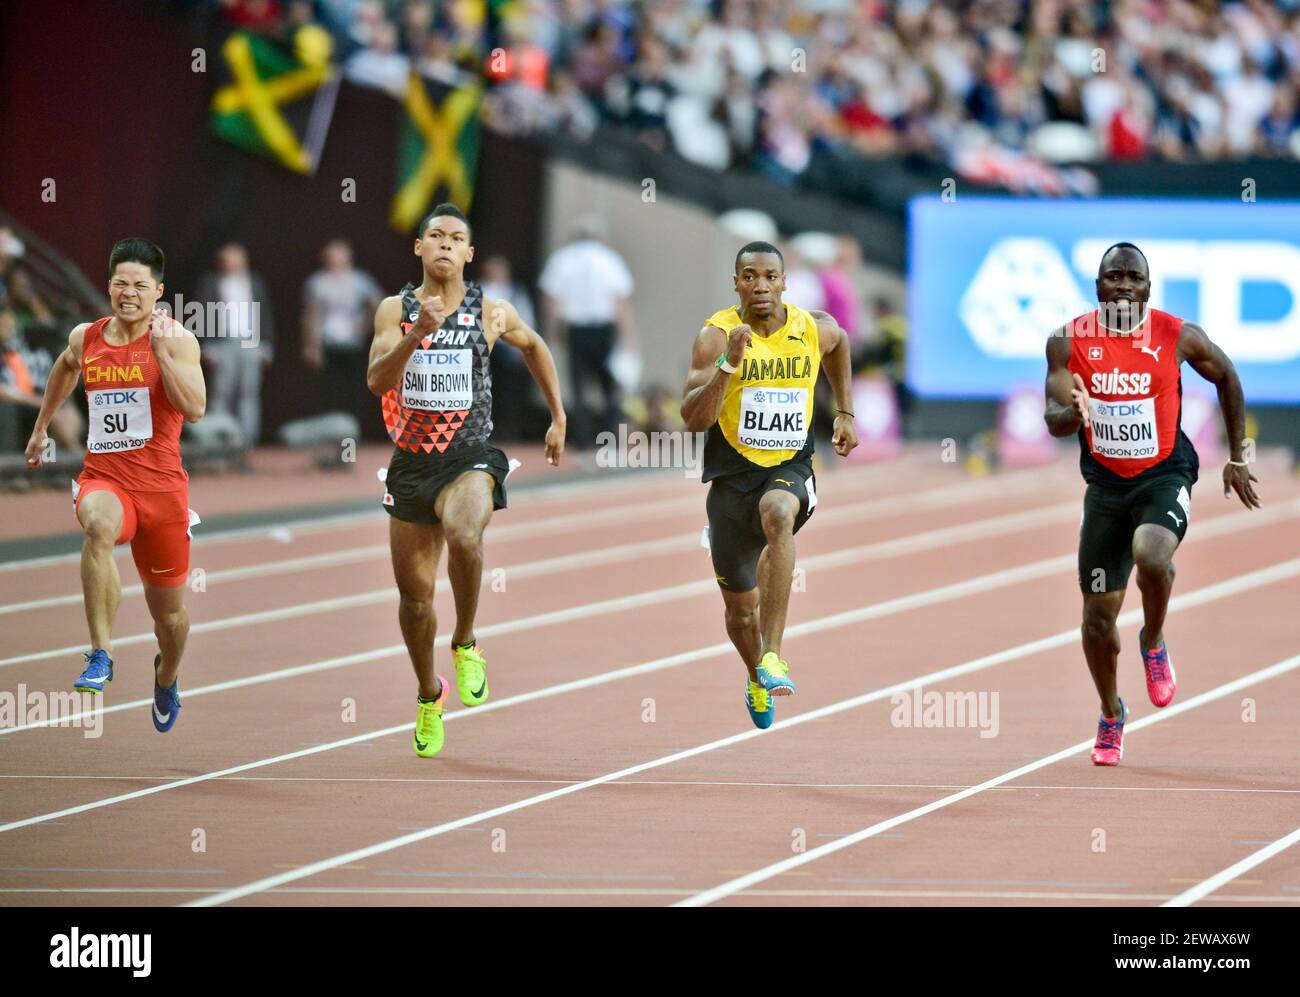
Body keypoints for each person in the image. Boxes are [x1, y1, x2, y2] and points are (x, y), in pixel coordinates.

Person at [1044, 242, 1260, 766]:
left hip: (1164, 474)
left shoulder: (1176, 334)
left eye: (1132, 277)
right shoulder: (1068, 341)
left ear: (1147, 287)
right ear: (1097, 287)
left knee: (1153, 554)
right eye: (1112, 276)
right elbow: (1052, 417)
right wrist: (1074, 414)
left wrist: (1236, 456)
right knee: (1097, 619)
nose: (1122, 284)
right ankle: (1111, 713)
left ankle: (1154, 638)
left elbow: (1227, 374)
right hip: (1106, 488)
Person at [367, 204, 567, 757]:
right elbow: (375, 378)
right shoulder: (393, 310)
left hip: (469, 456)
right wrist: (416, 336)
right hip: (411, 464)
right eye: (435, 236)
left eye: (456, 238)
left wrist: (558, 416)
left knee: (465, 534)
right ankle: (429, 696)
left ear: (469, 253)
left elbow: (536, 346)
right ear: (419, 248)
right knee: (414, 601)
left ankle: (465, 641)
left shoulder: (492, 311)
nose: (445, 245)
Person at [23, 239, 206, 732]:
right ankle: (101, 652)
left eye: (140, 286)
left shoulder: (178, 340)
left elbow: (195, 408)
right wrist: (42, 429)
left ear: (158, 291)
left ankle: (166, 675)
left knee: (170, 620)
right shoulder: (88, 337)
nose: (129, 293)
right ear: (108, 287)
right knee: (98, 527)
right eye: (120, 283)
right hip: (106, 478)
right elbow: (64, 368)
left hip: (163, 493)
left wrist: (163, 354)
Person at [680, 241, 858, 729]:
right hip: (731, 476)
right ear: (735, 283)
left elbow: (839, 341)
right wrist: (729, 366)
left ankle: (774, 655)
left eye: (769, 276)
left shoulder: (810, 327)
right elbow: (693, 420)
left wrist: (843, 409)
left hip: (789, 465)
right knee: (740, 615)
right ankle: (756, 671)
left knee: (779, 513)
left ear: (784, 282)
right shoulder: (716, 337)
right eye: (749, 276)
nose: (760, 285)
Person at [538, 215, 637, 447]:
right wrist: (626, 335)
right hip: (604, 327)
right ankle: (609, 436)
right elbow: (620, 300)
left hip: (576, 328)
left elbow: (551, 297)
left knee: (578, 384)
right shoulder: (610, 259)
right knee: (608, 384)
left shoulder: (563, 259)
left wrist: (556, 327)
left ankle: (581, 438)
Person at [195, 243, 275, 446]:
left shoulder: (254, 282)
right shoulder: (210, 282)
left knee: (249, 392)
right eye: (227, 259)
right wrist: (206, 345)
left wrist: (266, 345)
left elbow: (264, 314)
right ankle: (217, 439)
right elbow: (201, 314)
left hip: (250, 342)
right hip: (222, 342)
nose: (232, 263)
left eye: (235, 258)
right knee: (221, 391)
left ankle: (247, 441)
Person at [301, 239, 383, 436]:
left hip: (352, 343)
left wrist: (365, 325)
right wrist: (311, 345)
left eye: (339, 254)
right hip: (327, 342)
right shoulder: (317, 282)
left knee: (354, 391)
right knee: (326, 393)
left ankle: (353, 435)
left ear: (348, 256)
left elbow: (380, 304)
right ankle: (327, 436)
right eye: (331, 255)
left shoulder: (360, 280)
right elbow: (310, 314)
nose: (335, 259)